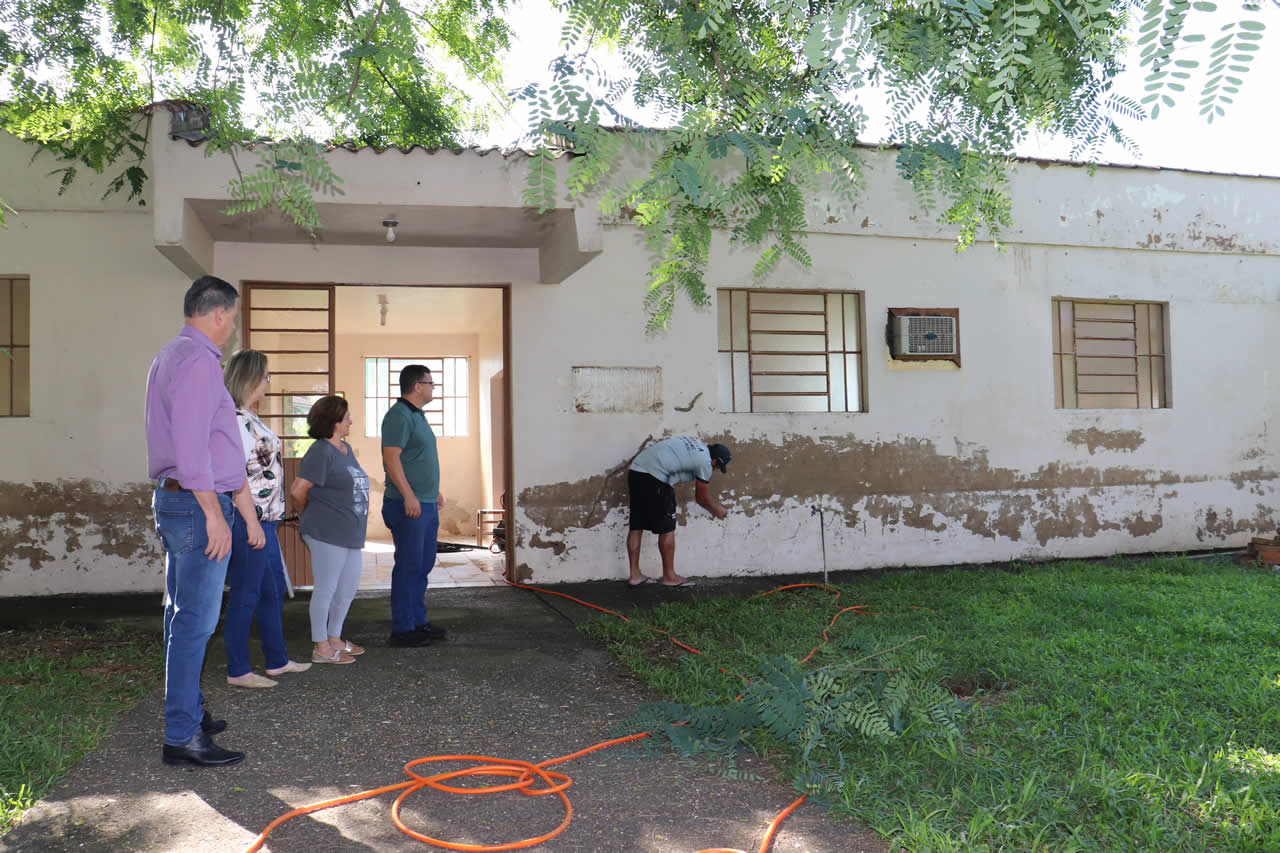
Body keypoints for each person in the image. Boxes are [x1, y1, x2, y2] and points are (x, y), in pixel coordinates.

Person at [146, 275, 263, 767]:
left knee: (182, 616)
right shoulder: (197, 362)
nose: (231, 327)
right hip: (197, 505)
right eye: (232, 318)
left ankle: (188, 711)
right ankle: (183, 736)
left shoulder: (171, 355)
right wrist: (216, 514)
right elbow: (193, 448)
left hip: (182, 502)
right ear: (218, 313)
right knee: (195, 622)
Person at [222, 349, 312, 687]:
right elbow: (236, 475)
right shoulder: (232, 419)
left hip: (266, 521)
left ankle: (277, 660)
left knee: (272, 590)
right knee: (246, 593)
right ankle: (238, 670)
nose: (269, 382)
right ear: (251, 378)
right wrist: (250, 522)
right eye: (266, 376)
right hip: (251, 520)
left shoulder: (248, 415)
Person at [290, 396, 370, 664]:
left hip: (349, 532)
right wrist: (306, 516)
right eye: (347, 416)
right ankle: (321, 646)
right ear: (334, 421)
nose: (351, 420)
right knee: (326, 588)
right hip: (326, 531)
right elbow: (298, 490)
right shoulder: (321, 451)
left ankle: (335, 638)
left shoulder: (344, 448)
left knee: (347, 587)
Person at [381, 364, 448, 648]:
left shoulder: (417, 415)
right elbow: (391, 459)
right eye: (431, 383)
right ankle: (403, 628)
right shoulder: (398, 416)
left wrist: (434, 491)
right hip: (408, 505)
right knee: (408, 566)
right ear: (417, 386)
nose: (434, 388)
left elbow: (418, 458)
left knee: (423, 564)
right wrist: (409, 495)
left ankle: (419, 621)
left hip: (427, 502)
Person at [626, 436, 732, 588]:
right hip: (654, 477)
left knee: (636, 526)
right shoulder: (705, 462)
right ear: (715, 460)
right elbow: (701, 498)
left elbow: (675, 470)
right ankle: (670, 576)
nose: (714, 469)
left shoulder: (697, 446)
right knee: (668, 528)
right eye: (717, 466)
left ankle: (635, 575)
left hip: (636, 471)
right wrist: (716, 510)